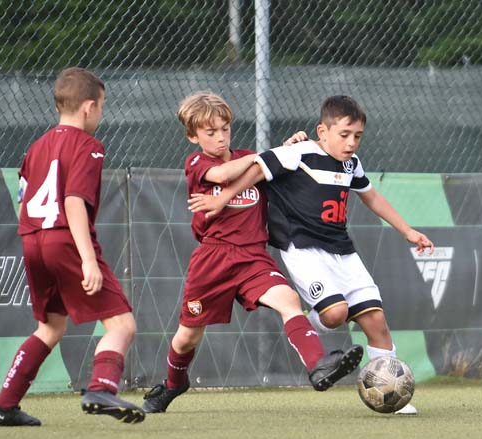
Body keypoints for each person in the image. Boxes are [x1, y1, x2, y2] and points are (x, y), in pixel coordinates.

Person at [189, 95, 434, 415]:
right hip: (303, 250)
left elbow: (372, 197)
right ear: (323, 131)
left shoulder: (351, 164)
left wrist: (407, 231)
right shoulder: (299, 153)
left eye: (357, 136)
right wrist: (223, 199)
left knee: (376, 321)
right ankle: (313, 320)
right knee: (335, 314)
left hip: (343, 252)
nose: (351, 143)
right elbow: (257, 171)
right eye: (344, 135)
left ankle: (391, 392)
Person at [140, 92, 363, 414]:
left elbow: (280, 169)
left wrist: (288, 152)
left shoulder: (248, 159)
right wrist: (271, 154)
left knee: (288, 300)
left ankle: (319, 365)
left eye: (225, 129)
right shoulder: (198, 163)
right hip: (213, 260)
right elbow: (223, 175)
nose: (220, 137)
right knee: (187, 337)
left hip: (252, 257)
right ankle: (174, 383)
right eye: (210, 132)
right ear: (193, 136)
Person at [0, 67, 145, 426]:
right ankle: (101, 388)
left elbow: (25, 197)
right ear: (89, 107)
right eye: (102, 105)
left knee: (51, 327)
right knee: (122, 325)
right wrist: (88, 260)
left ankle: (4, 406)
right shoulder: (89, 146)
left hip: (32, 240)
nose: (101, 113)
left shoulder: (36, 147)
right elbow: (73, 201)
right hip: (65, 240)